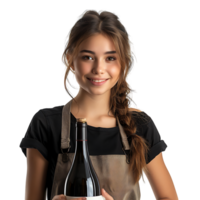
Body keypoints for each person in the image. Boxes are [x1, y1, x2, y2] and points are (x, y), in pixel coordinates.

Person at [19, 8, 180, 200]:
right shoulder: (45, 124)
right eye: (88, 57)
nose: (98, 69)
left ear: (123, 63)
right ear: (70, 59)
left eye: (110, 58)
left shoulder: (140, 125)